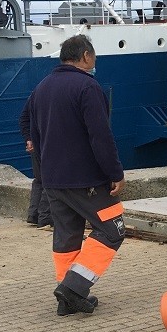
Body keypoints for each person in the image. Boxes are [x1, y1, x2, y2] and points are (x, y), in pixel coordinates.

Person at [26, 35, 126, 317]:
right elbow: (100, 136)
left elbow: (35, 136)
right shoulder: (87, 86)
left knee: (67, 236)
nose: (95, 62)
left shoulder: (42, 88)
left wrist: (44, 176)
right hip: (85, 180)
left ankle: (66, 300)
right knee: (113, 228)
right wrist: (115, 172)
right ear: (85, 56)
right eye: (93, 57)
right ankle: (73, 288)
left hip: (53, 180)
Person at [18, 98, 51, 229]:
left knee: (39, 180)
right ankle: (45, 218)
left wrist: (28, 139)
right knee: (51, 179)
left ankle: (33, 216)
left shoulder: (36, 94)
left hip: (36, 143)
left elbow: (23, 119)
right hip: (49, 144)